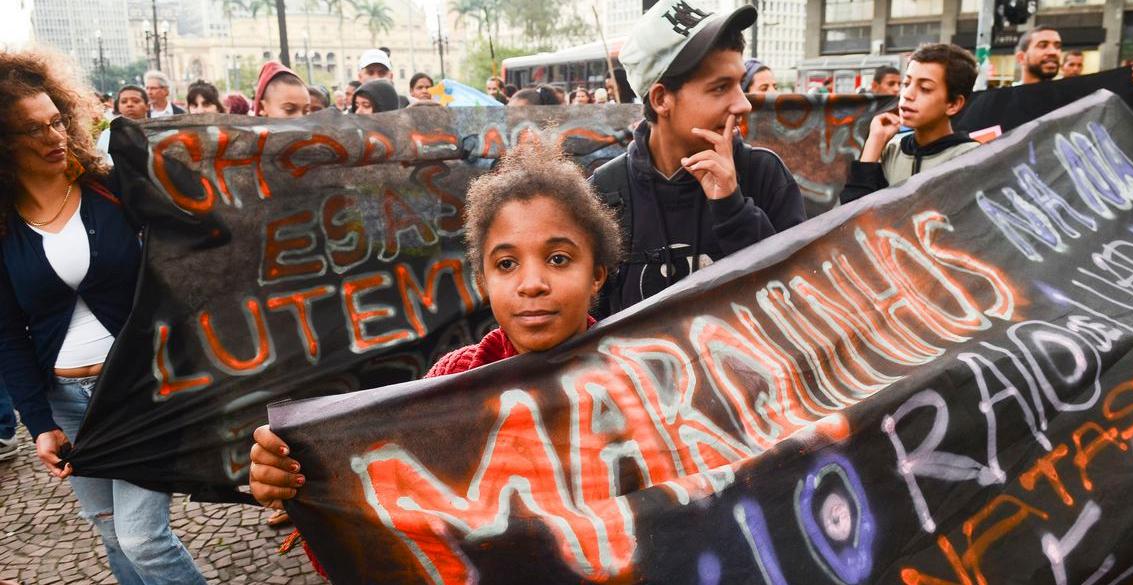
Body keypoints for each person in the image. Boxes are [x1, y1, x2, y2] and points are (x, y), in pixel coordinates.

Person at [248, 139, 623, 576]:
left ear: (597, 273)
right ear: (482, 279)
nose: (532, 283)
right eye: (506, 264)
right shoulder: (452, 379)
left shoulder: (642, 371)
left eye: (558, 259)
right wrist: (301, 483)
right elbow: (394, 527)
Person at [0, 49, 206, 585]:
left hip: (139, 385)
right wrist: (39, 424)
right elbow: (8, 337)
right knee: (112, 532)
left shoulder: (108, 187)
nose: (54, 136)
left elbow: (197, 225)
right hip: (65, 403)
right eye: (32, 130)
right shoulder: (3, 226)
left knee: (144, 538)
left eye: (56, 120)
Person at [589, 0, 805, 317]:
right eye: (721, 88)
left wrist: (733, 209)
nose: (743, 104)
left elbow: (799, 308)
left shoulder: (763, 175)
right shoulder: (605, 195)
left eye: (739, 84)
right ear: (661, 99)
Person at [840, 43, 982, 204]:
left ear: (953, 104)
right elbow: (853, 215)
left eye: (925, 88)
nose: (907, 95)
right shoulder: (891, 151)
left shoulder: (972, 158)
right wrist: (874, 143)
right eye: (906, 84)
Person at [1017, 27, 1133, 84]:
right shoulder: (1002, 101)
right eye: (1043, 45)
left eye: (1057, 46)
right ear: (1021, 58)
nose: (1053, 52)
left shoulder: (1072, 98)